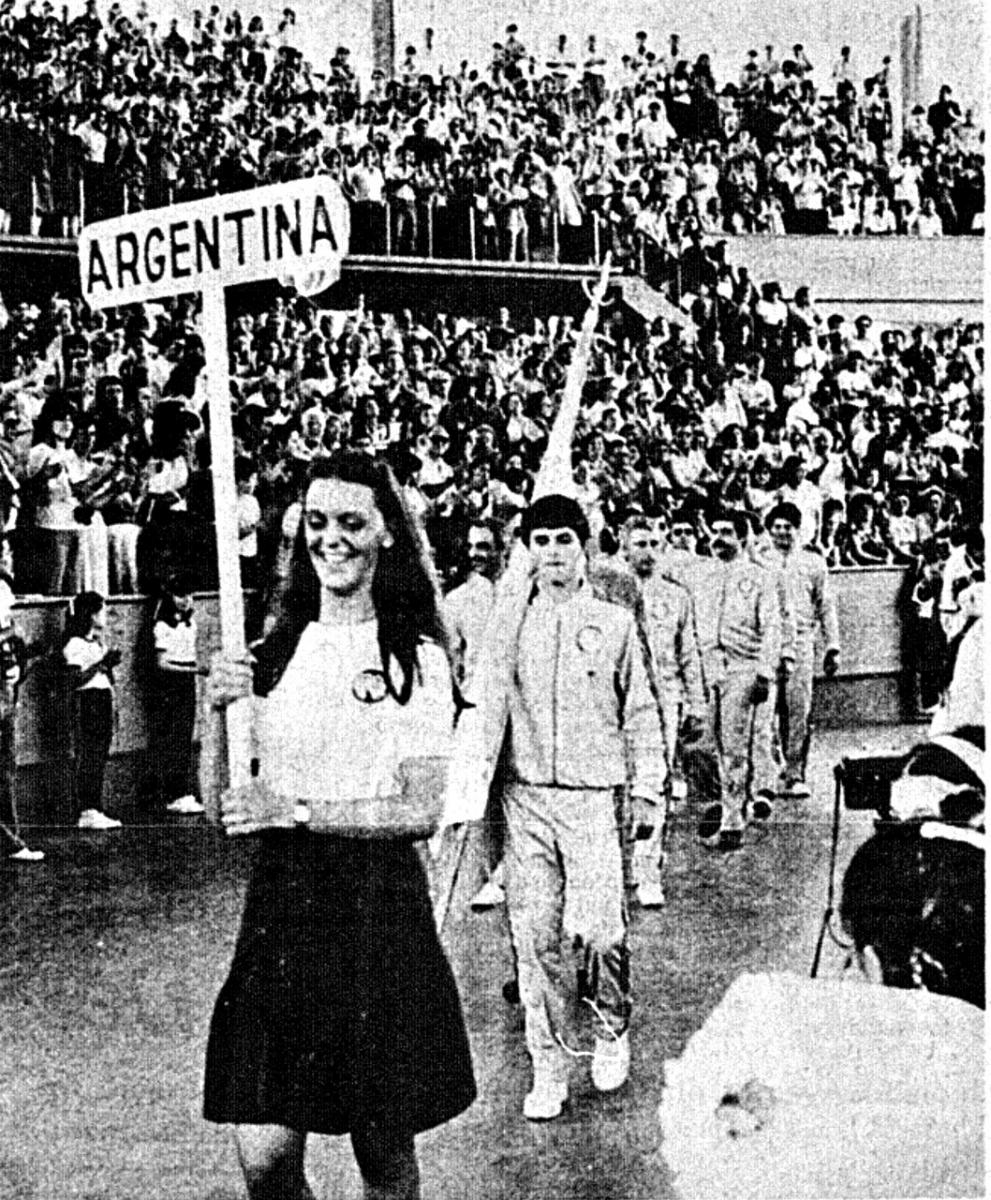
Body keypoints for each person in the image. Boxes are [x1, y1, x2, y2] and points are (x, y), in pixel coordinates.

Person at [203, 453, 475, 1200]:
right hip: (282, 907)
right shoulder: (276, 650)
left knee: (381, 1151)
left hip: (375, 908)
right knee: (262, 1152)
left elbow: (420, 809)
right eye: (317, 523)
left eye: (351, 522)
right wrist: (216, 710)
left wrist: (296, 811)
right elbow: (226, 805)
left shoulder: (416, 656)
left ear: (387, 533)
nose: (333, 539)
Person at [501, 494, 663, 1120]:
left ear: (584, 546)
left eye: (563, 540)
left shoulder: (614, 622)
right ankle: (548, 1067)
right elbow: (480, 709)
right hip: (525, 799)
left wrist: (648, 787)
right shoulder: (509, 627)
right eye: (539, 542)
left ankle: (609, 1028)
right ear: (528, 551)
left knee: (599, 930)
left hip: (594, 799)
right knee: (533, 937)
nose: (552, 554)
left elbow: (642, 711)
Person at [623, 516, 704, 907]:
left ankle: (648, 871)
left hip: (663, 700)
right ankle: (620, 865)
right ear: (624, 547)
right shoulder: (611, 595)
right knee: (617, 788)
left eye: (655, 543)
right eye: (640, 543)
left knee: (653, 784)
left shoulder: (676, 596)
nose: (648, 551)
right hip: (616, 704)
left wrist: (696, 704)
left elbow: (689, 654)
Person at [692, 509, 781, 850]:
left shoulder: (759, 578)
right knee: (707, 745)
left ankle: (732, 821)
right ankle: (729, 804)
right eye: (715, 530)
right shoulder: (706, 576)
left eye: (727, 532)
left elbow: (772, 626)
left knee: (734, 747)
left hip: (744, 668)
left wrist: (764, 672)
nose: (718, 538)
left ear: (743, 538)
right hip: (711, 666)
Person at [761, 502, 840, 797]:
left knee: (798, 710)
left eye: (788, 527)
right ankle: (770, 769)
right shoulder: (759, 560)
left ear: (798, 530)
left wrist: (832, 647)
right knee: (765, 710)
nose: (782, 532)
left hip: (803, 641)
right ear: (770, 530)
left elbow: (826, 607)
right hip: (766, 644)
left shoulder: (813, 563)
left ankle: (795, 773)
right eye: (777, 526)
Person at [62, 591, 122, 830]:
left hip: (102, 697)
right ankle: (87, 808)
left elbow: (104, 676)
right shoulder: (75, 644)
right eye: (101, 611)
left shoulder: (96, 642)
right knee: (89, 754)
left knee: (99, 754)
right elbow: (75, 679)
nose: (104, 616)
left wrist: (108, 665)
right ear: (91, 614)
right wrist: (100, 664)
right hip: (88, 701)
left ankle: (94, 806)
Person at [148, 574, 204, 815]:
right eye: (180, 595)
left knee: (185, 736)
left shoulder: (190, 624)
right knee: (172, 738)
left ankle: (182, 791)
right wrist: (194, 669)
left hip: (187, 681)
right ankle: (173, 793)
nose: (185, 600)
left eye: (189, 595)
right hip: (170, 685)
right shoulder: (161, 626)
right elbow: (162, 663)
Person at [0, 576, 43, 861]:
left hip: (5, 689)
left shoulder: (3, 588)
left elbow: (12, 630)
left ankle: (11, 837)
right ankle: (9, 840)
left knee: (6, 766)